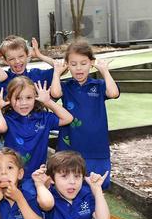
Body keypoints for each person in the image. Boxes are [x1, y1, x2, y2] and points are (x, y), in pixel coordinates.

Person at [50, 40, 119, 189]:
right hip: (69, 147)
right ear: (67, 65)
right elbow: (54, 93)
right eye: (73, 64)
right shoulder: (66, 86)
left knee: (97, 187)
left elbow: (113, 93)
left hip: (96, 148)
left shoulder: (98, 85)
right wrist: (56, 73)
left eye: (83, 63)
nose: (78, 68)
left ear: (91, 63)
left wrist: (104, 71)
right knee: (67, 186)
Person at [0, 76, 73, 195]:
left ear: (35, 98)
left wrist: (48, 102)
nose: (23, 103)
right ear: (9, 99)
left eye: (29, 97)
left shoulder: (43, 118)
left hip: (37, 176)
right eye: (18, 98)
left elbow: (68, 118)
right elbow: (0, 127)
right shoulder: (9, 119)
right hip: (12, 176)